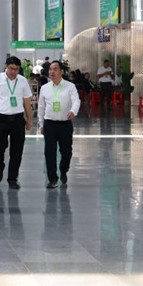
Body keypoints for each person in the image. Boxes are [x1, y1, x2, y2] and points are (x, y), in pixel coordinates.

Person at [0, 56, 33, 190]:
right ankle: (0, 166)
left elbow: (27, 102)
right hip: (1, 119)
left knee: (17, 151)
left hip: (18, 119)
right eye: (11, 68)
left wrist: (29, 119)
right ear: (5, 66)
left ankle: (12, 178)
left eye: (16, 69)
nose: (13, 71)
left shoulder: (23, 81)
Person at [38, 60, 81, 189]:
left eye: (55, 69)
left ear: (61, 71)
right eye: (50, 69)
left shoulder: (70, 86)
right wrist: (41, 124)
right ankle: (52, 179)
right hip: (49, 124)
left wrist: (73, 111)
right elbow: (41, 107)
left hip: (65, 124)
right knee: (49, 152)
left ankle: (63, 170)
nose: (52, 71)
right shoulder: (45, 88)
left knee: (66, 151)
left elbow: (76, 101)